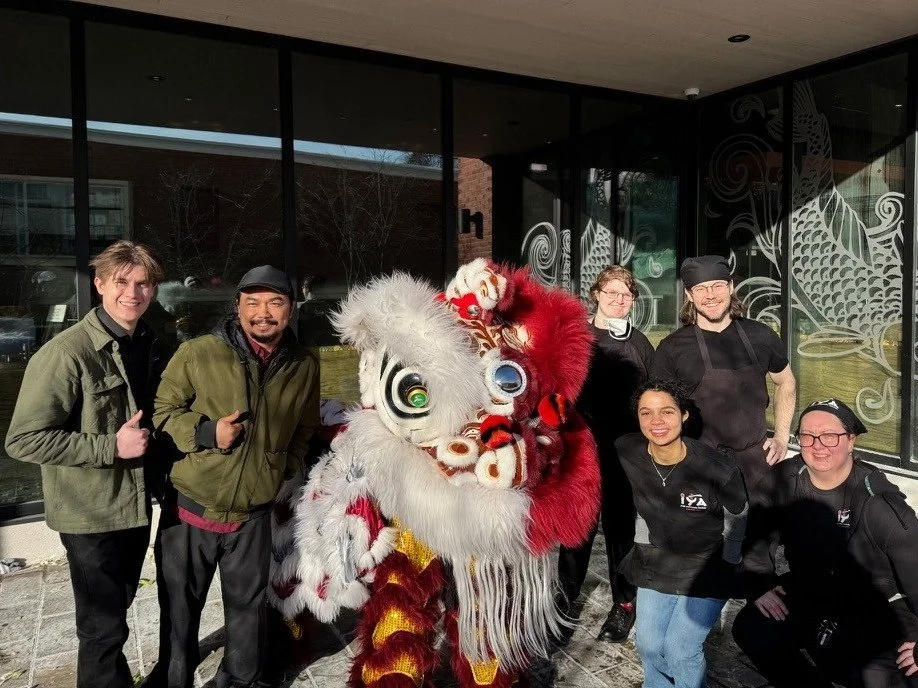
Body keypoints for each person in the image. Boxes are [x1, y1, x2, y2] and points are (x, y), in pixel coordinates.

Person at [5, 240, 167, 688]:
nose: (132, 293)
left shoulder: (148, 342)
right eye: (121, 282)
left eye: (143, 283)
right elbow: (22, 440)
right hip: (90, 515)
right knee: (101, 629)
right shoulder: (65, 354)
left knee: (117, 611)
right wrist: (109, 448)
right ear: (99, 285)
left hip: (133, 507)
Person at [149, 265, 320, 688]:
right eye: (253, 302)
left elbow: (304, 427)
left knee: (247, 612)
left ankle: (238, 680)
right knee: (179, 613)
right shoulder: (198, 352)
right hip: (191, 508)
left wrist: (284, 466)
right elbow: (162, 412)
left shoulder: (303, 364)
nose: (264, 313)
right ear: (238, 307)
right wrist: (208, 432)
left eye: (275, 302)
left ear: (291, 308)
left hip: (253, 515)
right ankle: (175, 679)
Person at [733, 398, 918, 688]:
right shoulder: (785, 480)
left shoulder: (879, 503)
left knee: (893, 674)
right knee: (752, 627)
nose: (818, 445)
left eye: (830, 436)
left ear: (851, 440)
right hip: (812, 591)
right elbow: (757, 534)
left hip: (877, 604)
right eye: (807, 436)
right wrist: (759, 584)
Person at [616, 378, 748, 688]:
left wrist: (729, 562)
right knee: (648, 646)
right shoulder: (627, 449)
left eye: (667, 412)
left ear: (684, 415)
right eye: (646, 413)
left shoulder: (717, 468)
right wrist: (642, 538)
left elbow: (739, 512)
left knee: (680, 651)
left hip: (707, 564)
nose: (656, 422)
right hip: (658, 559)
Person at [557, 265, 653, 642]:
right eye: (611, 292)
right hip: (581, 449)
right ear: (596, 294)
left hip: (624, 452)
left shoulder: (641, 344)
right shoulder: (577, 338)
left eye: (626, 295)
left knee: (620, 531)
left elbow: (653, 397)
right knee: (577, 529)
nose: (618, 300)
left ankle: (623, 605)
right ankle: (564, 601)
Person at [651, 254, 796, 492]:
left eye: (717, 285)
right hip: (698, 464)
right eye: (700, 288)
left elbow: (786, 382)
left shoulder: (761, 335)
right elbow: (659, 408)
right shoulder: (672, 347)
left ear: (730, 287)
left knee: (764, 528)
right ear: (689, 294)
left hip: (757, 462)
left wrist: (781, 437)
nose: (710, 295)